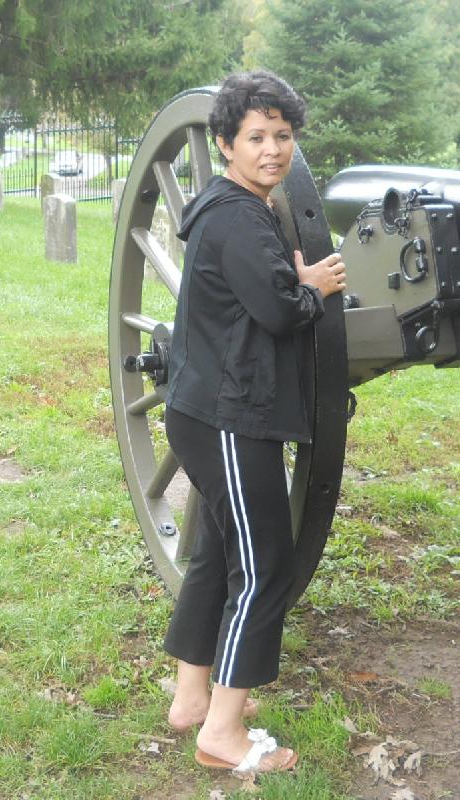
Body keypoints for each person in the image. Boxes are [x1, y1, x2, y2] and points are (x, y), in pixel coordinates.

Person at [161, 70, 346, 775]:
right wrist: (312, 287)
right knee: (265, 566)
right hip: (231, 418)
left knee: (216, 555)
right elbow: (276, 312)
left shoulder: (230, 207)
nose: (273, 150)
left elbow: (255, 296)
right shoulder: (240, 217)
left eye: (282, 135)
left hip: (209, 409)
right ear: (226, 143)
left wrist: (290, 282)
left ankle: (191, 700)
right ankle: (223, 733)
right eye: (256, 137)